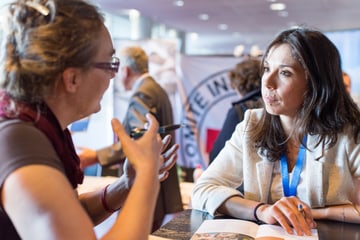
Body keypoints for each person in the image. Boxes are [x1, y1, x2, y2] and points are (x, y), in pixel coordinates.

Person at [0, 0, 179, 239]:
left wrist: (127, 184)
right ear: (72, 78)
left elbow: (71, 220)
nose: (112, 76)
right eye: (109, 64)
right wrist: (147, 174)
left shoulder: (41, 127)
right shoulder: (20, 140)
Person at [192, 27, 360, 237]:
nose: (267, 82)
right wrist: (262, 210)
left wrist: (318, 213)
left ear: (315, 83)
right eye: (266, 69)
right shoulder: (252, 124)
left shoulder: (350, 131)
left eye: (284, 73)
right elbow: (203, 189)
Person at [79, 46, 183, 231]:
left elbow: (140, 141)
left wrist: (96, 156)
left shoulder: (143, 92)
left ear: (125, 71)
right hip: (159, 187)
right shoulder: (156, 88)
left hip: (147, 188)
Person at [209, 57, 263, 164]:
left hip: (244, 178)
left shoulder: (239, 111)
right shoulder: (274, 107)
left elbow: (217, 157)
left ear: (237, 85)